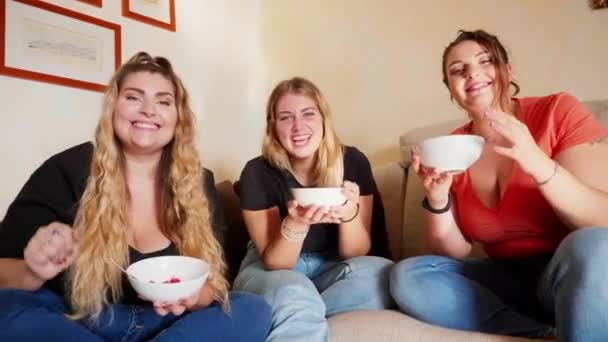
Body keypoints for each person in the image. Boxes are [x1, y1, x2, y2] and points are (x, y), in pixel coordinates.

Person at [0, 52, 271, 341]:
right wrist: (34, 269)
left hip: (166, 324)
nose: (148, 110)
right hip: (79, 319)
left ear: (178, 118)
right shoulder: (65, 170)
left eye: (163, 101)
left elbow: (212, 288)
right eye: (133, 97)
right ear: (113, 108)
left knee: (251, 309)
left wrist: (191, 297)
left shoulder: (198, 183)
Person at [390, 29, 608, 341]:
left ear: (507, 70)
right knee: (409, 276)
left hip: (571, 269)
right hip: (506, 280)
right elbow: (455, 252)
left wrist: (537, 162)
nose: (472, 74)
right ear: (451, 90)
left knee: (595, 245)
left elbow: (602, 221)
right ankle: (540, 332)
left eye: (485, 61)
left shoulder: (557, 112)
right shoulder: (453, 148)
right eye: (458, 70)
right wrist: (437, 199)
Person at [232, 77, 394, 341]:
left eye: (308, 114)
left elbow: (355, 252)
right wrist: (296, 224)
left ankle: (298, 311)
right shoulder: (257, 172)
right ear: (273, 127)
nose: (298, 126)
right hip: (272, 269)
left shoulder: (352, 161)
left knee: (383, 275)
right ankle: (296, 305)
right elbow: (276, 262)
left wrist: (348, 214)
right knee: (292, 290)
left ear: (323, 120)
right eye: (285, 117)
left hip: (331, 267)